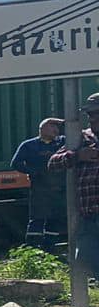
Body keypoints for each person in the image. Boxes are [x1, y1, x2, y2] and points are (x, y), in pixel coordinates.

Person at [48, 95, 99, 283]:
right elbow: (52, 163)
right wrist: (78, 156)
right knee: (85, 257)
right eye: (90, 115)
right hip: (90, 214)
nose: (91, 119)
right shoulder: (82, 138)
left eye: (96, 114)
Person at [10, 116, 67, 251]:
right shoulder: (29, 145)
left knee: (55, 218)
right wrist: (33, 172)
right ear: (42, 129)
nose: (56, 130)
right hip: (40, 188)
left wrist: (65, 122)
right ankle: (32, 249)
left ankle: (50, 248)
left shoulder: (62, 142)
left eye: (57, 127)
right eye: (52, 126)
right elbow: (15, 163)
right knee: (37, 218)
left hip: (59, 188)